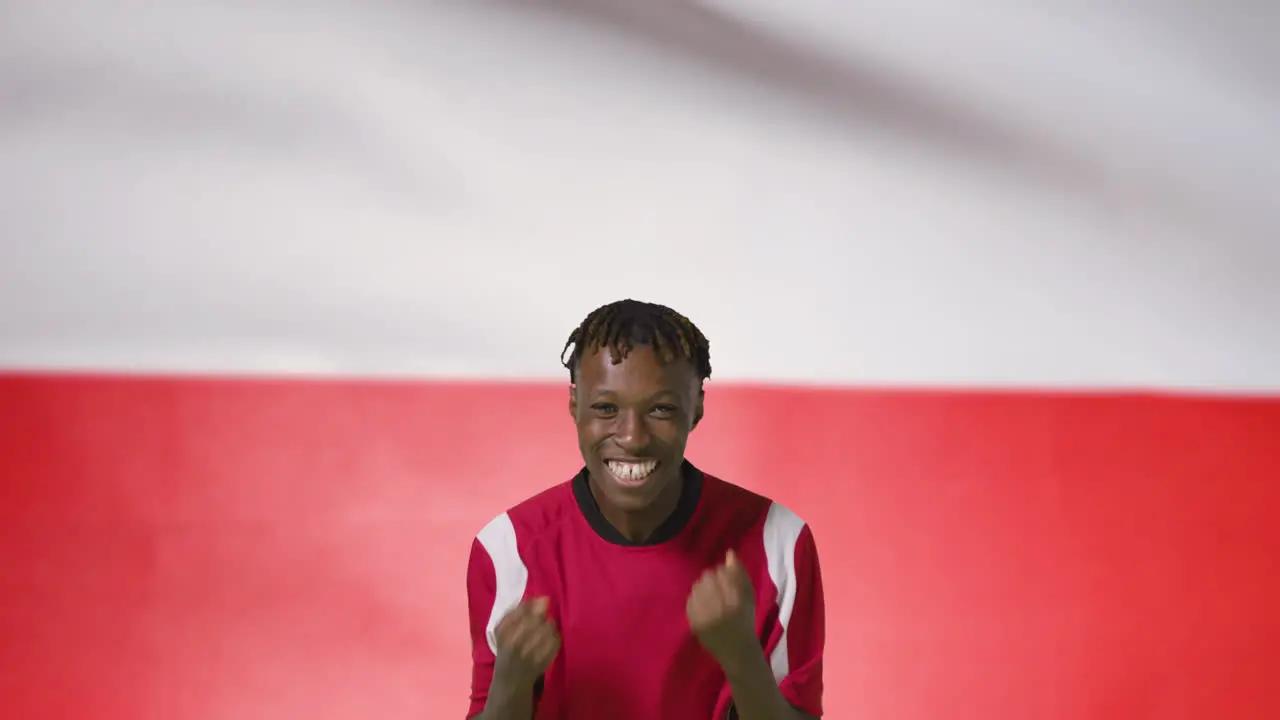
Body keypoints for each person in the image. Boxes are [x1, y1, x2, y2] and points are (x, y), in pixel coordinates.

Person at [465, 299, 825, 720]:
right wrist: (511, 683)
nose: (632, 437)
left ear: (698, 407)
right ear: (574, 404)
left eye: (661, 409)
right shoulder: (507, 549)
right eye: (605, 408)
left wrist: (742, 657)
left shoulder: (777, 540)